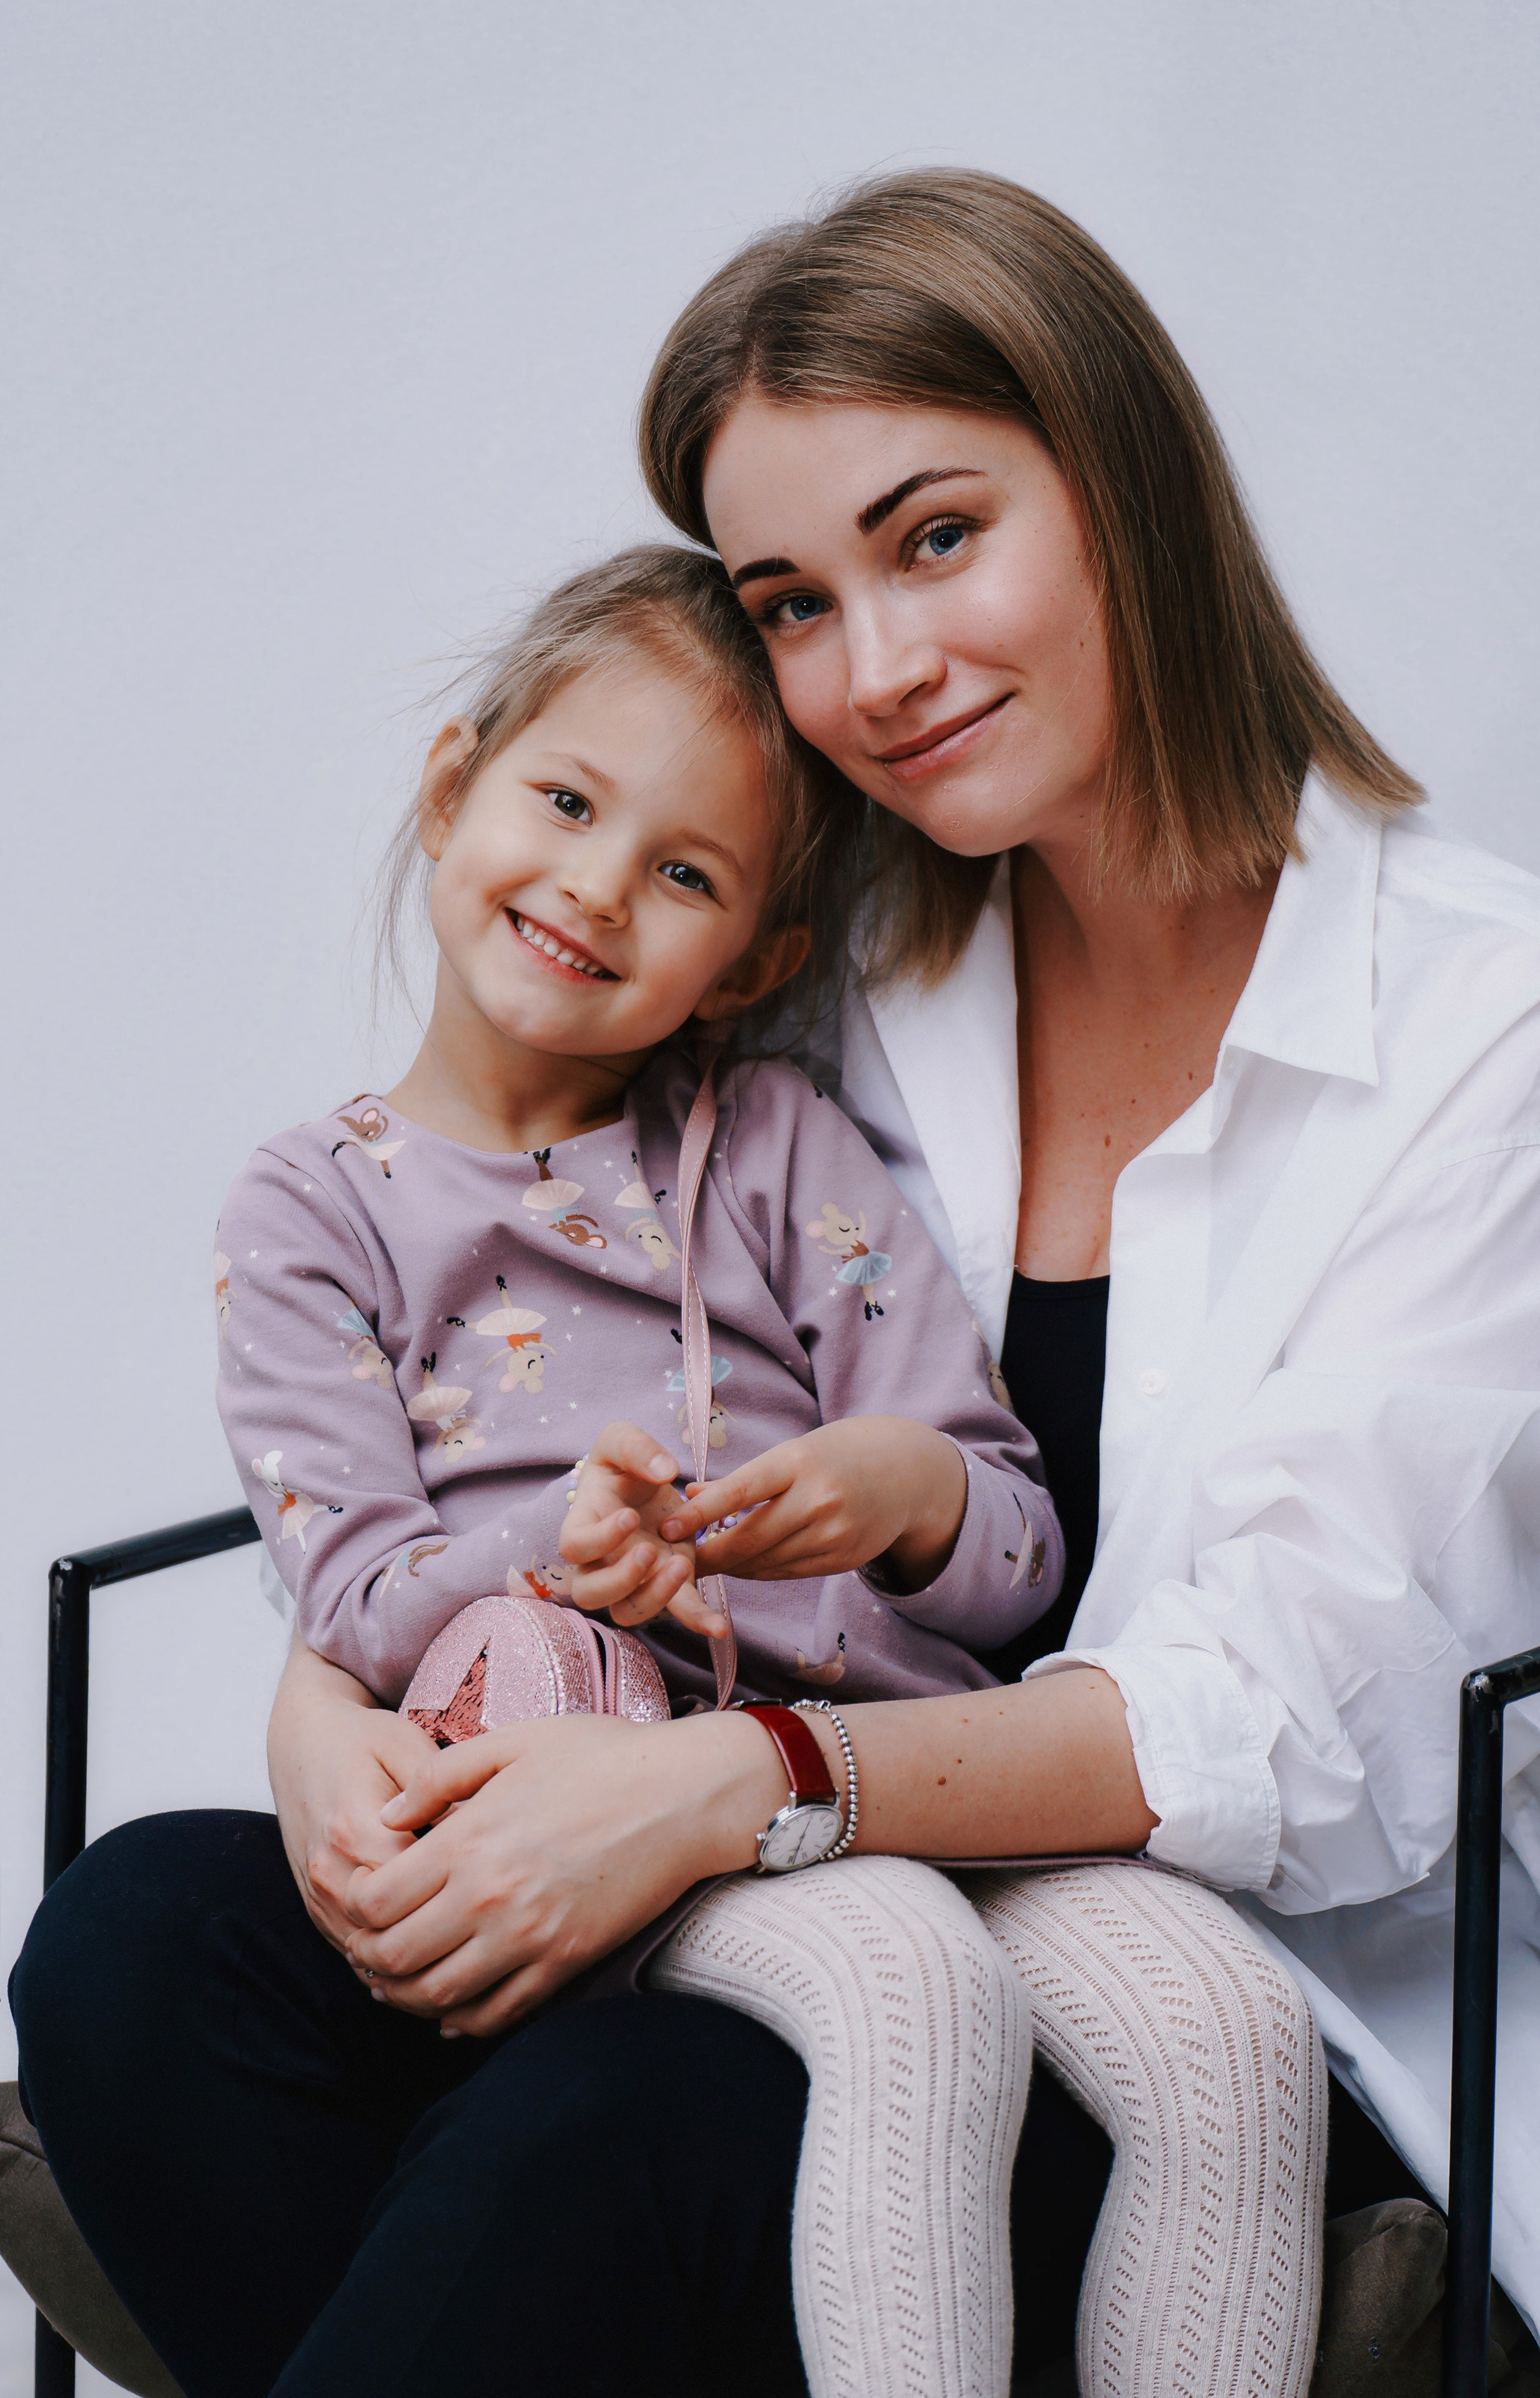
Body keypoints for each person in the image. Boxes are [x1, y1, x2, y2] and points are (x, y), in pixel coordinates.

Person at [16, 160, 1540, 2394]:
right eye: (792, 600)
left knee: (621, 2123)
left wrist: (728, 1782)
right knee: (131, 1944)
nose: (881, 673)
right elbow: (509, 1316)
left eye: (937, 537)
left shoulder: (1489, 1013)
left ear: (1121, 475)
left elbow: (1308, 1738)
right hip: (739, 1819)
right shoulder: (832, 952)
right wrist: (330, 1713)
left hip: (1221, 1958)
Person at [213, 535, 1076, 2398]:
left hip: (859, 1794)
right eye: (566, 801)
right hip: (575, 1828)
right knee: (881, 1974)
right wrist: (549, 1538)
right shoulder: (312, 1212)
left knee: (1215, 2027)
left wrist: (900, 1484)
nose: (598, 888)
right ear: (456, 791)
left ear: (753, 959)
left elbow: (1018, 1556)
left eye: (682, 872)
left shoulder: (772, 1146)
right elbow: (351, 1601)